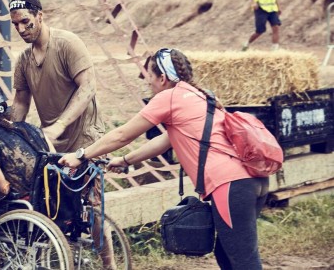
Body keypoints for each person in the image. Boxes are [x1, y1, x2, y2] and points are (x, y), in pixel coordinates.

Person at [59, 48, 270, 270]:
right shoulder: (200, 95)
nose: (147, 82)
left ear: (162, 77)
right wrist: (126, 160)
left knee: (243, 260)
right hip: (253, 181)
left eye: (149, 75)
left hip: (230, 187)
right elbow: (166, 140)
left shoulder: (169, 97)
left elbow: (123, 134)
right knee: (227, 254)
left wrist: (81, 155)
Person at [8, 0, 116, 268]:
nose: (21, 29)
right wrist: (7, 131)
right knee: (54, 208)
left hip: (85, 138)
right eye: (16, 25)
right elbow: (20, 103)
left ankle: (110, 264)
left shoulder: (67, 44)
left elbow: (88, 86)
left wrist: (59, 125)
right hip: (52, 147)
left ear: (40, 16)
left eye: (26, 22)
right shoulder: (23, 60)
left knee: (93, 209)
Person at [0, 86, 55, 201]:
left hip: (22, 202)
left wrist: (2, 184)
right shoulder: (33, 129)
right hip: (50, 197)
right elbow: (53, 155)